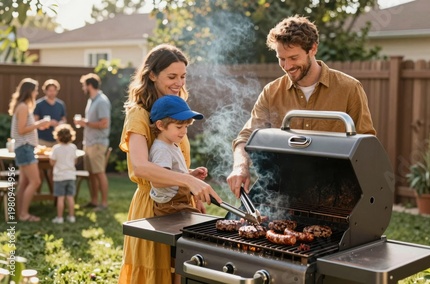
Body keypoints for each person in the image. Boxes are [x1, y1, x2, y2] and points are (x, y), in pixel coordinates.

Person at [227, 15, 377, 197]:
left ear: (312, 49)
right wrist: (240, 167)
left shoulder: (349, 88)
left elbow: (366, 145)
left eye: (293, 57)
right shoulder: (272, 91)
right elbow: (246, 137)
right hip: (283, 191)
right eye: (281, 58)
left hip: (333, 193)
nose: (287, 65)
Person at [118, 43, 222, 284]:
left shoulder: (177, 111)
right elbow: (141, 166)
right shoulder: (140, 114)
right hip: (153, 208)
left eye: (183, 76)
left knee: (180, 273)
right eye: (172, 76)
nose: (179, 83)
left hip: (180, 207)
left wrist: (190, 188)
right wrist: (187, 181)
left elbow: (175, 162)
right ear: (152, 75)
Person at [149, 95, 208, 217]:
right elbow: (159, 181)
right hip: (171, 206)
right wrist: (188, 180)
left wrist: (190, 174)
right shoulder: (162, 149)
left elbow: (173, 174)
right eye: (179, 127)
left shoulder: (171, 144)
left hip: (178, 203)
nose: (184, 131)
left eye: (186, 126)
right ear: (160, 125)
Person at [8, 78, 51, 222]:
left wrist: (37, 126)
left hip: (24, 147)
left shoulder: (23, 106)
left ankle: (20, 213)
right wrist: (39, 124)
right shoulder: (23, 107)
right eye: (36, 90)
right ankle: (24, 214)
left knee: (25, 183)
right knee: (35, 181)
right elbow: (21, 130)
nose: (37, 92)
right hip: (24, 148)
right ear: (29, 91)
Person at [74, 73, 111, 211]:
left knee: (99, 172)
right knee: (91, 173)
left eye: (84, 85)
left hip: (98, 143)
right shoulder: (92, 100)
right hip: (89, 143)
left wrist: (85, 122)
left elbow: (104, 123)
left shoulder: (101, 101)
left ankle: (104, 203)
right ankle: (94, 201)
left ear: (89, 85)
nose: (83, 88)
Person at [49, 124, 78, 224]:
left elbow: (52, 162)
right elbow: (75, 161)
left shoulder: (56, 148)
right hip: (71, 176)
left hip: (59, 177)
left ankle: (60, 218)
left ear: (57, 136)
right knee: (70, 197)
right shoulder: (73, 147)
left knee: (60, 198)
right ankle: (71, 217)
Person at [33, 79, 67, 147]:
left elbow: (64, 119)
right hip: (42, 140)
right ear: (45, 91)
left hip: (57, 140)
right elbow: (34, 121)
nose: (52, 93)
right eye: (50, 90)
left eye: (54, 90)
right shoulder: (39, 104)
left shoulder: (60, 104)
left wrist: (58, 123)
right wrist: (47, 123)